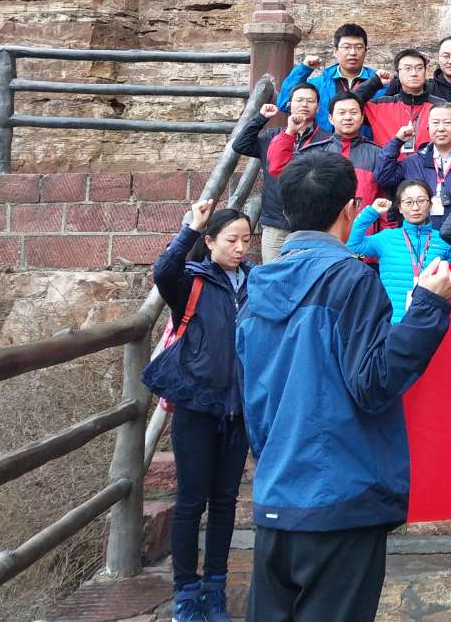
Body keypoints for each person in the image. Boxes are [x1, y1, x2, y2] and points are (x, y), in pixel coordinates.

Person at [238, 151, 451, 622]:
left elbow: (251, 404)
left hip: (278, 493)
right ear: (349, 209)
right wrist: (428, 308)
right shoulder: (350, 279)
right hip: (340, 495)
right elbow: (373, 383)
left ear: (288, 211)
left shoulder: (254, 290)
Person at [143, 200, 252, 622]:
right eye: (231, 240)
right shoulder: (191, 280)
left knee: (225, 501)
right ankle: (186, 594)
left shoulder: (256, 282)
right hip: (196, 402)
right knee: (191, 502)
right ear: (210, 242)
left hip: (238, 407)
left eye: (246, 240)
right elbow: (163, 272)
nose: (240, 248)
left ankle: (215, 588)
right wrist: (190, 228)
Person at [234, 83, 328, 263]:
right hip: (276, 222)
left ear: (318, 107)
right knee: (273, 272)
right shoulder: (272, 137)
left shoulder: (326, 140)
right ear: (289, 105)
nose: (304, 104)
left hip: (311, 224)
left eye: (310, 101)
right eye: (299, 100)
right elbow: (241, 145)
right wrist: (260, 118)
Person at [347, 180, 451, 323]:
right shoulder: (387, 238)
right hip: (392, 323)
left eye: (421, 201)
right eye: (408, 202)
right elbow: (352, 244)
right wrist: (372, 212)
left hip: (431, 323)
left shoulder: (444, 241)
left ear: (430, 205)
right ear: (399, 207)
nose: (415, 207)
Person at [375, 103, 451, 218]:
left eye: (447, 123)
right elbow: (383, 178)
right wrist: (397, 141)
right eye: (435, 123)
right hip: (422, 229)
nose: (441, 128)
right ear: (428, 126)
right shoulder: (413, 162)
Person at [276, 23, 379, 133]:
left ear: (366, 51)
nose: (353, 52)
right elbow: (284, 103)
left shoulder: (380, 84)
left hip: (367, 143)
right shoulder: (318, 85)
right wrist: (304, 69)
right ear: (335, 51)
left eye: (358, 47)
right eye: (347, 47)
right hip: (323, 142)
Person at [363, 48, 445, 148]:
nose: (414, 73)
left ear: (426, 72)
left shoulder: (441, 107)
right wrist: (374, 83)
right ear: (397, 73)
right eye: (408, 69)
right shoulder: (379, 106)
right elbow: (348, 105)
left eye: (419, 68)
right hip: (387, 158)